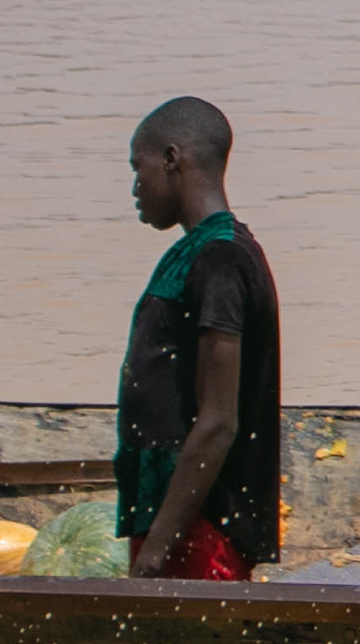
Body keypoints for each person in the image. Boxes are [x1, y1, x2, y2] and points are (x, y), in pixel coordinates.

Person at [115, 98, 283, 581]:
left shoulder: (221, 260)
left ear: (172, 159)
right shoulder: (191, 255)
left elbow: (218, 423)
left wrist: (155, 554)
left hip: (202, 532)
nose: (134, 187)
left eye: (137, 167)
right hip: (171, 521)